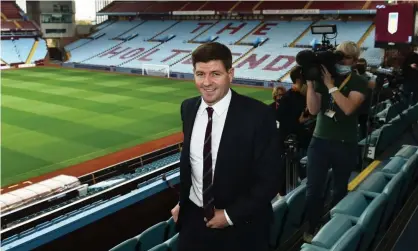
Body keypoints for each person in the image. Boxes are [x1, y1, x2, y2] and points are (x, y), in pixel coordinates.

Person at [171, 42, 283, 251]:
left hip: (241, 226)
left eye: (215, 74)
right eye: (200, 74)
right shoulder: (188, 108)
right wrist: (183, 202)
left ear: (230, 74)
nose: (206, 82)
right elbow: (193, 164)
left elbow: (271, 180)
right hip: (193, 221)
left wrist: (230, 215)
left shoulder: (258, 115)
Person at [304, 41, 368, 242]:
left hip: (345, 142)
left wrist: (331, 86)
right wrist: (310, 85)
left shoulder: (359, 81)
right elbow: (314, 110)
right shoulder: (323, 79)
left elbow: (348, 108)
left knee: (339, 189)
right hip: (319, 140)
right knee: (313, 189)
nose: (341, 60)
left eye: (346, 57)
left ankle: (334, 229)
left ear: (355, 61)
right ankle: (312, 226)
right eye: (338, 55)